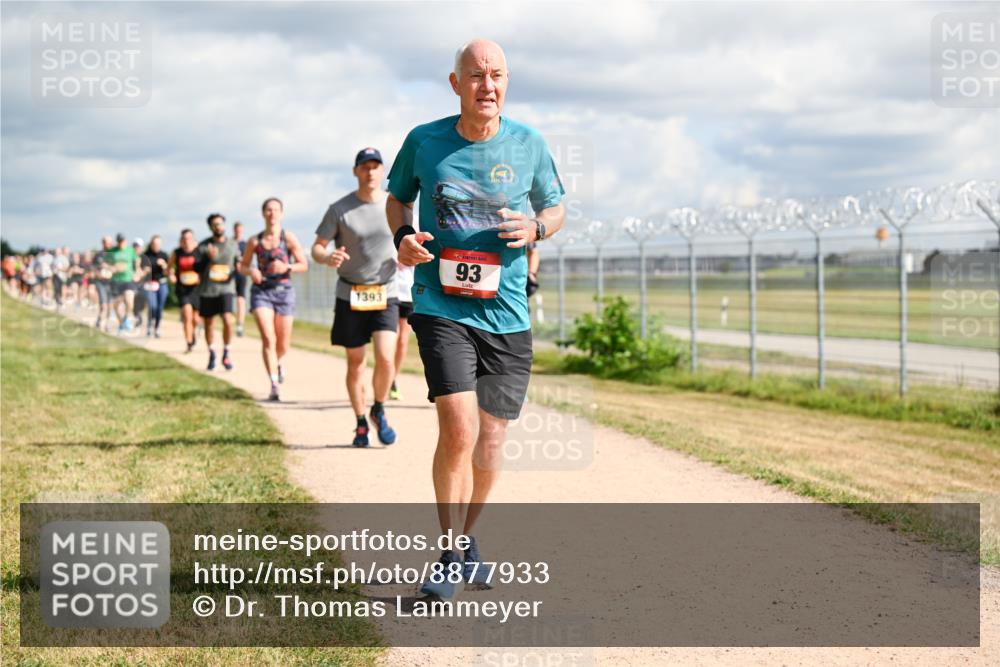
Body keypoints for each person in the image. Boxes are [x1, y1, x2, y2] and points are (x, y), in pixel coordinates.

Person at [386, 39, 565, 600]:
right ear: (455, 82)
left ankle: (467, 539)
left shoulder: (530, 144)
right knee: (459, 428)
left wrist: (537, 229)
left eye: (498, 75)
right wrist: (403, 237)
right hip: (442, 306)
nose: (488, 85)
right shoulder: (424, 141)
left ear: (506, 83)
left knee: (490, 442)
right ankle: (447, 552)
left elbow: (556, 207)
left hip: (507, 311)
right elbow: (398, 199)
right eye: (477, 75)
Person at [312, 147, 399, 448]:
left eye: (376, 166)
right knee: (356, 363)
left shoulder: (395, 203)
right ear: (355, 171)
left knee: (386, 358)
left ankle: (379, 407)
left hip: (385, 291)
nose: (370, 171)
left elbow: (409, 235)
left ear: (382, 170)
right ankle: (361, 422)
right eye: (365, 167)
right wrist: (328, 257)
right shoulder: (339, 209)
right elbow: (317, 247)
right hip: (350, 293)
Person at [239, 198, 308, 401]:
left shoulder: (289, 238)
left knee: (283, 343)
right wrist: (251, 270)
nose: (272, 213)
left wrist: (286, 267)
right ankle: (274, 383)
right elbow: (242, 266)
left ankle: (276, 363)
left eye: (276, 210)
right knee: (268, 338)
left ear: (282, 213)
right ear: (263, 214)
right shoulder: (254, 241)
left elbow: (303, 264)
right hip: (262, 292)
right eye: (268, 210)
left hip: (284, 292)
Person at [196, 213, 240, 370]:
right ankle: (212, 353)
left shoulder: (233, 244)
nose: (218, 227)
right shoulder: (203, 246)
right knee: (209, 323)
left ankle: (226, 353)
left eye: (220, 224)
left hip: (226, 289)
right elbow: (197, 269)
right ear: (210, 227)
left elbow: (239, 263)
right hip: (208, 290)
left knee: (228, 320)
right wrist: (208, 258)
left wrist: (240, 269)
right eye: (215, 224)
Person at [169, 229, 202, 352]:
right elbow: (169, 267)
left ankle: (193, 333)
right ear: (181, 240)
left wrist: (201, 276)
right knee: (187, 315)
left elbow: (204, 266)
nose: (186, 241)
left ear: (193, 239)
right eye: (184, 239)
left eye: (189, 238)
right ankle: (188, 343)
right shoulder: (177, 253)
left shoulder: (198, 252)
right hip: (183, 288)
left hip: (196, 288)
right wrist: (171, 275)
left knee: (195, 318)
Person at [390, 259, 415, 401]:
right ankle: (386, 374)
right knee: (392, 338)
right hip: (390, 294)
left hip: (408, 296)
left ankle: (393, 379)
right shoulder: (387, 240)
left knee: (402, 341)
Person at [107, 233, 139, 333]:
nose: (121, 243)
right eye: (119, 241)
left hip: (128, 279)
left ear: (125, 241)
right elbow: (105, 263)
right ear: (117, 242)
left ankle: (126, 319)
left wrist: (137, 271)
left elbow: (137, 260)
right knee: (116, 305)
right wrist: (110, 268)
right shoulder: (112, 251)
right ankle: (121, 323)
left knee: (129, 301)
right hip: (115, 281)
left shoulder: (130, 250)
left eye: (123, 241)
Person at [141, 235, 170, 337]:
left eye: (158, 244)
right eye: (155, 244)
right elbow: (142, 269)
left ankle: (157, 328)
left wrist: (165, 266)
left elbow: (168, 272)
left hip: (162, 283)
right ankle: (149, 325)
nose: (156, 246)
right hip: (149, 284)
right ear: (151, 244)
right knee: (153, 306)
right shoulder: (146, 255)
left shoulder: (164, 255)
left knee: (160, 307)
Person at [92, 237, 114, 330]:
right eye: (106, 243)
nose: (109, 245)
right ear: (103, 243)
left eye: (110, 243)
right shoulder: (98, 255)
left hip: (112, 283)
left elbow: (119, 267)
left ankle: (106, 324)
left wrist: (109, 267)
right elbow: (93, 268)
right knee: (103, 305)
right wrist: (98, 274)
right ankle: (100, 320)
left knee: (110, 305)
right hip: (101, 283)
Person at [233, 221, 250, 337]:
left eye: (240, 230)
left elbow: (248, 260)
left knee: (241, 300)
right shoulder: (230, 243)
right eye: (236, 229)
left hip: (241, 275)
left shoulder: (246, 244)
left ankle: (240, 325)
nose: (238, 232)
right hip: (229, 274)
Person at [131, 239, 147, 329]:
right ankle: (137, 316)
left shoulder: (144, 258)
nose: (136, 248)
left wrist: (138, 269)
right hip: (131, 283)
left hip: (143, 283)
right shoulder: (130, 258)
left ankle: (139, 314)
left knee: (143, 302)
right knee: (133, 301)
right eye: (135, 246)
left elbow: (145, 271)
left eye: (138, 246)